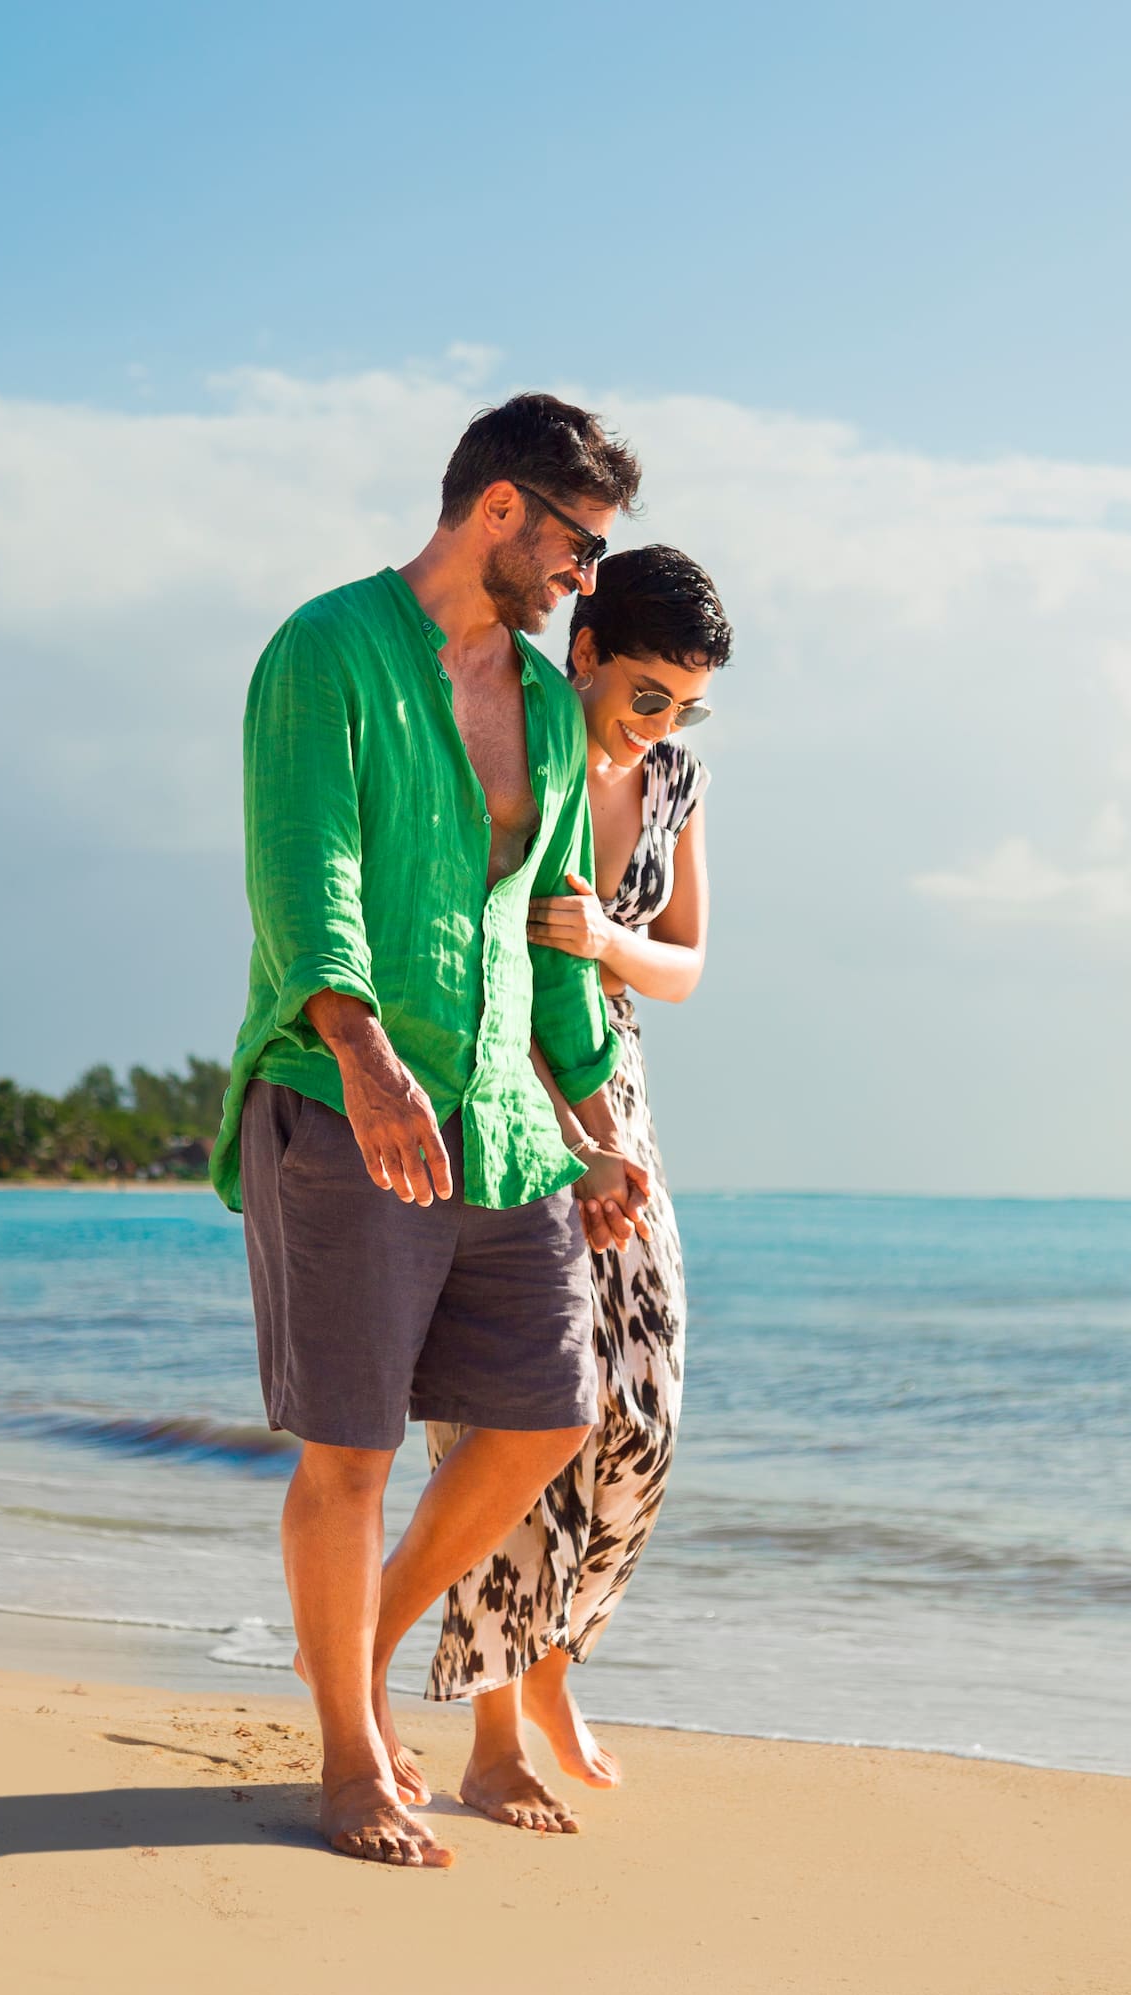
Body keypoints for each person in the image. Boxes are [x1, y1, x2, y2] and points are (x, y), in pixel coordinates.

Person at [210, 393, 653, 1869]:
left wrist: (594, 1123)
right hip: (347, 1100)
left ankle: (365, 1649)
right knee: (351, 1443)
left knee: (548, 1410)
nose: (585, 580)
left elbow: (551, 930)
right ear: (504, 510)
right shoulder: (325, 650)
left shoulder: (535, 698)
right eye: (581, 547)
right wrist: (363, 1046)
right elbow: (307, 865)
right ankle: (350, 1758)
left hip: (505, 1118)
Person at [418, 545, 729, 1833]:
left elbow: (690, 965)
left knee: (641, 1420)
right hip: (501, 1084)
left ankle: (550, 1669)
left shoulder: (672, 779)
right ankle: (493, 1742)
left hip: (623, 1097)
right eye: (648, 692)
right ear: (586, 647)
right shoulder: (517, 730)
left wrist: (610, 939)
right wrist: (559, 1127)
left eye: (687, 705)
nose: (661, 723)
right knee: (508, 1418)